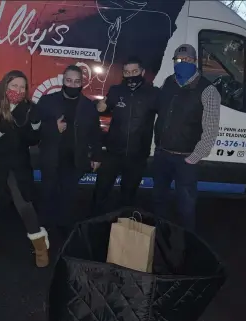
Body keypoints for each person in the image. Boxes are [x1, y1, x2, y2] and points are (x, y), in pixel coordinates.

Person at [0, 70, 49, 267]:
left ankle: (40, 246)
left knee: (24, 204)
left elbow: (32, 140)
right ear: (5, 86)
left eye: (22, 87)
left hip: (16, 163)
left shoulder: (28, 109)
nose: (18, 90)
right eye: (14, 86)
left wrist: (36, 125)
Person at [153, 44, 221, 232]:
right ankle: (160, 236)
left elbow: (210, 130)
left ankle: (186, 242)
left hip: (185, 159)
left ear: (195, 61)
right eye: (179, 60)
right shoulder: (168, 82)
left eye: (187, 60)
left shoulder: (208, 90)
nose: (183, 63)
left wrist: (193, 158)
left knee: (186, 206)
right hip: (162, 155)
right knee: (158, 200)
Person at [36, 65, 102, 235]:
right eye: (69, 81)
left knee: (69, 196)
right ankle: (44, 229)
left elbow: (95, 133)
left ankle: (64, 232)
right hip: (51, 157)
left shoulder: (88, 106)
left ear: (82, 83)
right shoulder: (47, 101)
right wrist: (52, 127)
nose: (72, 85)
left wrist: (96, 155)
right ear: (62, 81)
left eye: (77, 81)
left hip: (75, 159)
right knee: (47, 194)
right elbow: (33, 129)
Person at [92, 56, 159, 214]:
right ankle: (93, 226)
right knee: (100, 193)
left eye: (134, 71)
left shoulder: (154, 93)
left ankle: (121, 232)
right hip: (113, 153)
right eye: (127, 72)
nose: (131, 75)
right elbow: (103, 107)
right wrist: (99, 106)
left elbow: (167, 117)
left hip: (137, 155)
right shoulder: (116, 90)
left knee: (128, 198)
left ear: (142, 72)